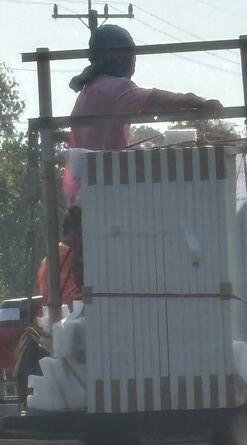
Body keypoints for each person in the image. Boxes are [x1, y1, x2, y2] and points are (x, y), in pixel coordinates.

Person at [64, 24, 223, 202]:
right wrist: (197, 102)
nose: (133, 68)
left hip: (83, 191)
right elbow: (153, 99)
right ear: (115, 57)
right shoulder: (115, 88)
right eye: (131, 60)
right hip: (108, 189)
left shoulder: (86, 93)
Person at [37, 205, 83, 306]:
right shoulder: (65, 259)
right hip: (64, 317)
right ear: (76, 233)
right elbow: (73, 299)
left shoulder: (51, 257)